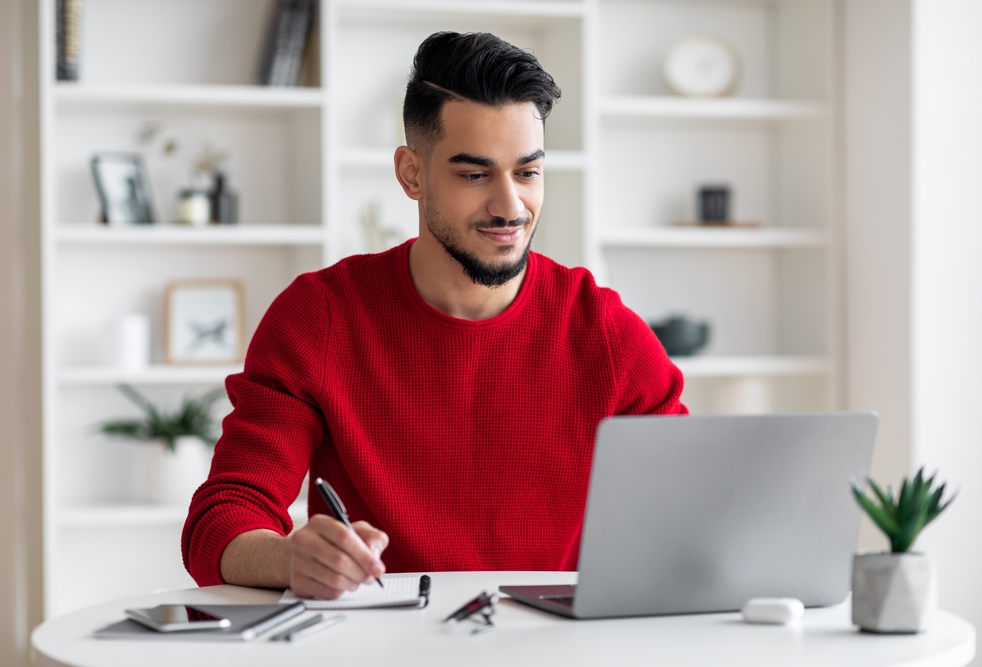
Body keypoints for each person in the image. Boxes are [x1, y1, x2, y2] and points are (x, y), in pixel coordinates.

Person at [182, 31, 686, 600]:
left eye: (527, 172)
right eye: (475, 175)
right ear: (411, 174)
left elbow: (690, 508)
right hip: (382, 643)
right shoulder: (319, 317)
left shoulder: (605, 331)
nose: (509, 206)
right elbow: (223, 518)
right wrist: (288, 558)